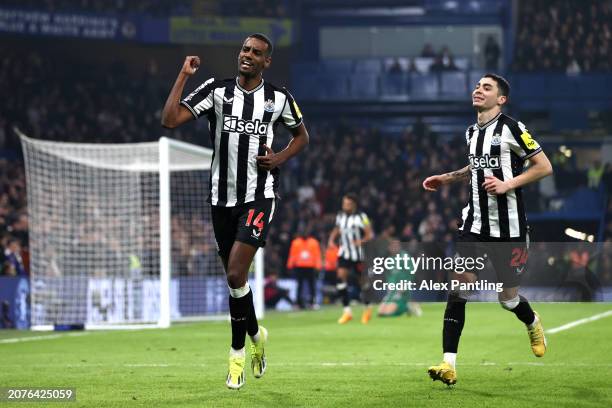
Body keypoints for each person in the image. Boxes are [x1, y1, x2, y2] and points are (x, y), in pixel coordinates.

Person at [161, 33, 309, 390]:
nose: (248, 55)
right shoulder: (217, 90)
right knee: (236, 280)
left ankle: (236, 355)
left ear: (266, 62)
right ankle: (258, 335)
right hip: (220, 198)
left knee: (235, 273)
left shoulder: (278, 98)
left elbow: (302, 136)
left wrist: (278, 158)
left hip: (259, 196)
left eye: (256, 53)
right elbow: (170, 119)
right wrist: (184, 75)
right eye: (245, 49)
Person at [422, 73, 553, 386]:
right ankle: (448, 364)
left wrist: (508, 184)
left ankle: (532, 321)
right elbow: (475, 166)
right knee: (459, 288)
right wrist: (448, 177)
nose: (478, 90)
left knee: (508, 299)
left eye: (487, 87)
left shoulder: (512, 128)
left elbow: (544, 166)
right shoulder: (471, 132)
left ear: (501, 98)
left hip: (509, 229)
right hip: (474, 224)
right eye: (478, 86)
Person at [328, 193, 373, 324]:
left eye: (347, 203)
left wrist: (362, 241)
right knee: (340, 278)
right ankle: (347, 311)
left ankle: (367, 308)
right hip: (345, 252)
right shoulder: (340, 216)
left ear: (353, 204)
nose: (344, 206)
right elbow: (336, 229)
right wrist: (331, 240)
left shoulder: (362, 217)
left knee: (363, 282)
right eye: (343, 203)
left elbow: (369, 234)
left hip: (358, 254)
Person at [286, 228, 322, 309]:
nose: (304, 234)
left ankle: (312, 302)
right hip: (300, 266)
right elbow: (292, 254)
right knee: (300, 285)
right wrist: (289, 265)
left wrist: (318, 266)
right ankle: (299, 303)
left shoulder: (313, 242)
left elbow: (317, 255)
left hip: (310, 266)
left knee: (312, 285)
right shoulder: (296, 242)